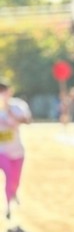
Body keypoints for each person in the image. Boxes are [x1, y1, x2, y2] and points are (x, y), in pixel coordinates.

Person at [0, 80, 31, 220]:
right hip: (2, 151)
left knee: (15, 180)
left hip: (17, 151)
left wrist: (10, 112)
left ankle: (13, 192)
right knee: (8, 177)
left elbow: (27, 120)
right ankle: (8, 206)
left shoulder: (18, 106)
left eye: (3, 91)